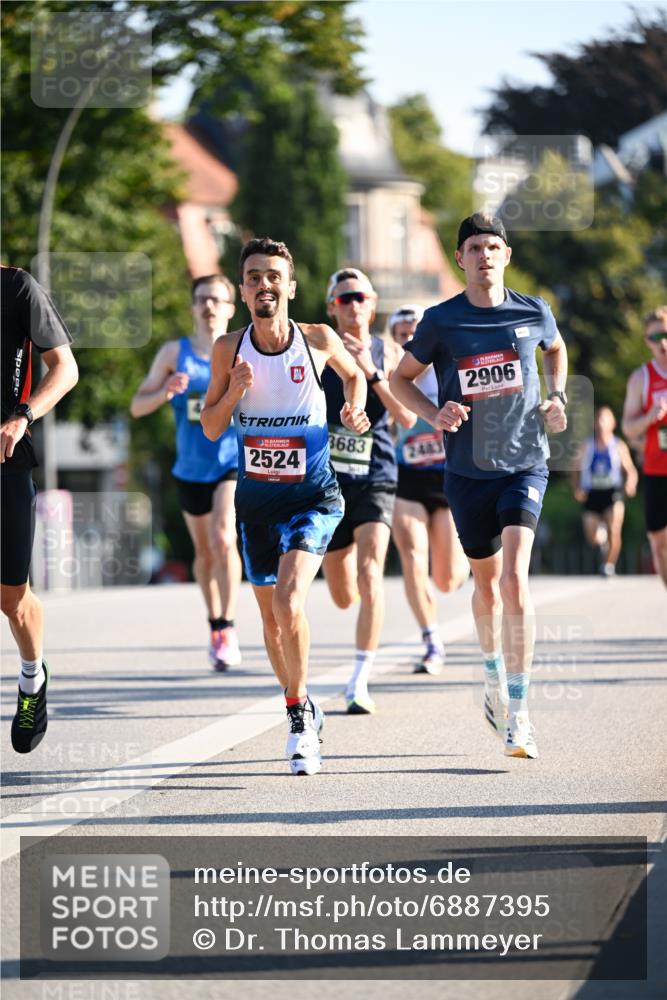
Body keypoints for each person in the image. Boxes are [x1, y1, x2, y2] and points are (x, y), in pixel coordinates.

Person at [391, 212, 568, 759]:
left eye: (494, 246)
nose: (485, 255)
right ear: (460, 258)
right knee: (486, 587)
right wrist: (433, 413)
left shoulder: (534, 310)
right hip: (466, 473)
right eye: (474, 247)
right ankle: (491, 674)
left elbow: (556, 350)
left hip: (524, 464)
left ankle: (520, 713)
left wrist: (557, 396)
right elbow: (400, 380)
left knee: (515, 581)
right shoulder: (442, 321)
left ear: (506, 256)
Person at [201, 238, 369, 775]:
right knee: (270, 621)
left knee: (289, 603)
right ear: (244, 289)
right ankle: (301, 701)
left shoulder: (317, 338)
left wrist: (353, 407)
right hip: (256, 504)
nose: (263, 285)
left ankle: (297, 724)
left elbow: (355, 374)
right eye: (253, 277)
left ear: (290, 287)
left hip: (314, 496)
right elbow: (210, 426)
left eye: (273, 276)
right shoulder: (230, 349)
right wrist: (234, 392)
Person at [130, 274, 243, 671]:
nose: (209, 306)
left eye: (217, 299)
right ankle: (214, 622)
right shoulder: (173, 353)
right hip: (190, 468)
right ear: (193, 307)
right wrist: (165, 392)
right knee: (205, 552)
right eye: (202, 299)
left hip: (232, 460)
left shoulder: (243, 348)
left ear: (231, 308)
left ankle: (227, 625)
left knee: (223, 537)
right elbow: (136, 406)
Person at [320, 269, 416, 715]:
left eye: (360, 297)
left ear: (372, 304)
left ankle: (359, 679)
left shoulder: (391, 351)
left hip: (377, 473)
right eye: (344, 299)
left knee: (371, 572)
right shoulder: (319, 348)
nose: (353, 305)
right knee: (342, 591)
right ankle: (356, 604)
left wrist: (375, 374)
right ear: (331, 308)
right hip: (329, 480)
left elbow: (409, 419)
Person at [1, 265, 78, 753]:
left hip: (6, 460)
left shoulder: (16, 288)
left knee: (12, 601)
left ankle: (33, 677)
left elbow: (65, 368)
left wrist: (22, 416)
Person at [389, 304, 469, 674]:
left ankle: (467, 564)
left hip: (447, 475)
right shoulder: (392, 375)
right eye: (401, 333)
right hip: (408, 476)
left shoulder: (443, 367)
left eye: (413, 332)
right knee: (412, 555)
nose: (408, 337)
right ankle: (431, 638)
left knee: (448, 579)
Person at [622, 306, 667, 588]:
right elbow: (627, 427)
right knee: (659, 542)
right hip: (657, 469)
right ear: (647, 342)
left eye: (666, 334)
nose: (662, 342)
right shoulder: (642, 378)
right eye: (655, 337)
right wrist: (650, 418)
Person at [570, 406, 637, 577]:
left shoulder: (618, 445)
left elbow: (630, 470)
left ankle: (608, 565)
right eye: (598, 419)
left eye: (604, 419)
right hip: (591, 493)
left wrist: (630, 484)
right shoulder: (587, 445)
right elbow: (574, 468)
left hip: (612, 492)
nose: (601, 423)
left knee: (614, 527)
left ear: (612, 423)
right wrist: (576, 488)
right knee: (591, 537)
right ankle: (602, 540)